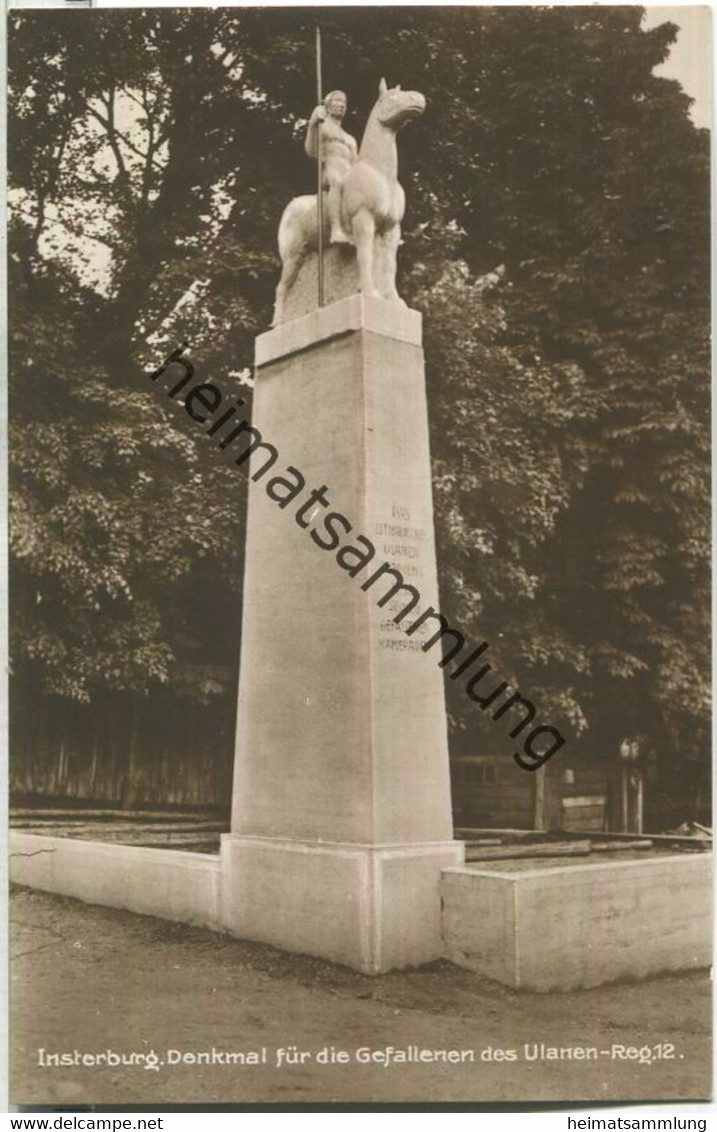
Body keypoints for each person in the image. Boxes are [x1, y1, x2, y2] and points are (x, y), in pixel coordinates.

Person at [304, 90, 357, 245]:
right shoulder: (323, 127)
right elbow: (312, 150)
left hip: (349, 170)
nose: (342, 105)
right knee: (337, 181)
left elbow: (356, 163)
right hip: (330, 169)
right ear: (327, 105)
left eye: (344, 102)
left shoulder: (350, 138)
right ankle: (336, 229)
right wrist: (313, 124)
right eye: (337, 100)